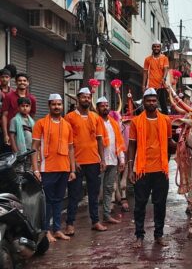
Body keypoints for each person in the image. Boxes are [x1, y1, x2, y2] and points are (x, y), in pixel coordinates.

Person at [127, 88, 175, 248]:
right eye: (148, 100)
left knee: (160, 204)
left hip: (161, 170)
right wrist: (130, 168)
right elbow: (131, 145)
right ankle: (139, 236)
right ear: (144, 102)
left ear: (157, 102)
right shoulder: (136, 121)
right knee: (140, 204)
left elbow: (169, 143)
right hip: (142, 169)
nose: (152, 103)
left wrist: (183, 143)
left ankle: (158, 235)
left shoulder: (165, 120)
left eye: (154, 100)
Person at [31, 94, 76, 242]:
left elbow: (70, 149)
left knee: (58, 200)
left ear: (62, 106)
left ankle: (57, 229)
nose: (57, 107)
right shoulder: (41, 124)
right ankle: (46, 230)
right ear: (49, 106)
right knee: (48, 201)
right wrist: (36, 169)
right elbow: (35, 148)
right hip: (47, 168)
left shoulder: (67, 125)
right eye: (54, 104)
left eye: (59, 104)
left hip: (64, 168)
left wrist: (72, 170)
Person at [64, 87, 107, 235]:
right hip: (77, 162)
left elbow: (100, 139)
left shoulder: (95, 117)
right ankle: (70, 224)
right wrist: (72, 162)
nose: (86, 100)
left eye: (89, 97)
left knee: (94, 194)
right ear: (78, 99)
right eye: (84, 97)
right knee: (74, 195)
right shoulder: (69, 117)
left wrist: (102, 159)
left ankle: (95, 221)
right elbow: (66, 141)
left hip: (94, 161)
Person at [97, 97, 126, 224]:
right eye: (102, 106)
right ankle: (94, 218)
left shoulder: (114, 123)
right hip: (97, 161)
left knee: (109, 188)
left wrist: (122, 160)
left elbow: (119, 142)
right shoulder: (95, 122)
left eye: (107, 105)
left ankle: (107, 215)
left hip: (113, 160)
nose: (105, 108)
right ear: (97, 108)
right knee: (96, 190)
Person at [2, 73, 36, 148]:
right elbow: (4, 116)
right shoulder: (9, 96)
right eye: (20, 80)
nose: (22, 82)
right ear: (16, 82)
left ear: (28, 82)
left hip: (27, 134)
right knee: (13, 157)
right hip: (11, 133)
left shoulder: (32, 99)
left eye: (24, 80)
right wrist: (5, 135)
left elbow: (32, 116)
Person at [142, 41, 170, 114]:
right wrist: (143, 85)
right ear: (152, 48)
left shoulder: (164, 58)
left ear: (160, 48)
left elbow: (166, 69)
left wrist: (164, 78)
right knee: (149, 104)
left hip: (161, 86)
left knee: (163, 105)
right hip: (150, 86)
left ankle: (165, 120)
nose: (156, 48)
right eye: (154, 46)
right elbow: (145, 72)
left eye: (158, 46)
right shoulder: (148, 59)